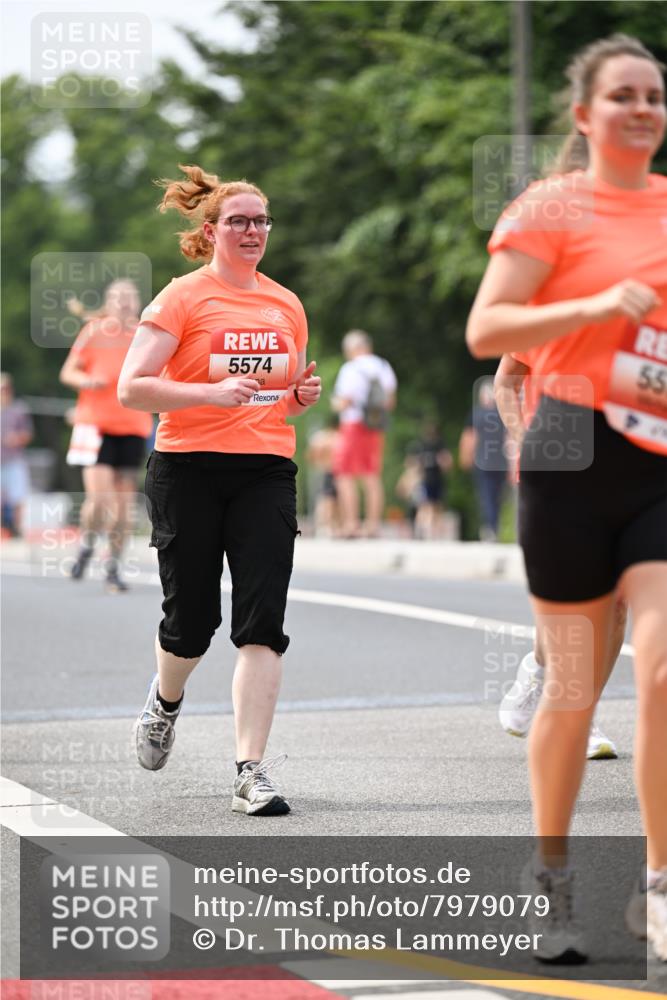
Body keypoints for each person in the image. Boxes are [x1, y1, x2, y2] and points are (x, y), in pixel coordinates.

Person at [467, 35, 667, 962]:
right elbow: (490, 331)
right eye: (621, 94)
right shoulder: (547, 209)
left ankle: (657, 886)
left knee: (659, 669)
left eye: (654, 95)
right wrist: (588, 312)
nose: (640, 108)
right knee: (576, 687)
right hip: (565, 449)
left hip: (658, 454)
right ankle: (551, 876)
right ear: (584, 115)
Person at [118, 164, 321, 817]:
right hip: (188, 468)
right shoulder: (181, 297)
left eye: (261, 220)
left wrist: (297, 398)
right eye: (239, 220)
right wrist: (206, 391)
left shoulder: (285, 303)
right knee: (191, 624)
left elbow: (276, 406)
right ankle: (165, 702)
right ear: (210, 232)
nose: (253, 230)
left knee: (262, 623)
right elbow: (133, 388)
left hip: (264, 469)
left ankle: (249, 770)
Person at [494, 353, 623, 760]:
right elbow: (505, 383)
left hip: (630, 472)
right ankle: (536, 670)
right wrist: (526, 440)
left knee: (616, 605)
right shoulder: (544, 304)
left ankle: (582, 716)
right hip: (558, 470)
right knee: (571, 602)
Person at [60, 281, 153, 592]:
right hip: (94, 426)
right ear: (108, 303)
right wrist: (87, 381)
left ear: (139, 302)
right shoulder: (94, 331)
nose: (124, 303)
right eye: (118, 297)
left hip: (132, 426)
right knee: (100, 501)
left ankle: (113, 566)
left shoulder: (146, 334)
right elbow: (68, 372)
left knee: (124, 507)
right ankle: (87, 542)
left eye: (130, 297)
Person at [331, 329, 397, 538]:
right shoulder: (383, 366)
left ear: (352, 348)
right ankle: (373, 525)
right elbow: (390, 401)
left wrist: (335, 404)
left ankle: (351, 524)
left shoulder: (350, 368)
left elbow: (344, 401)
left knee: (345, 474)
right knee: (371, 474)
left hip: (352, 425)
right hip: (375, 425)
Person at [458, 378, 508, 541]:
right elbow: (509, 439)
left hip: (483, 462)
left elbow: (470, 438)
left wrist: (465, 458)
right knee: (497, 496)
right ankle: (495, 526)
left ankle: (490, 528)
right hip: (501, 463)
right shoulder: (504, 413)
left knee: (486, 496)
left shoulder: (477, 414)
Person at [0, 372, 33, 537]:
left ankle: (17, 529)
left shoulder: (19, 409)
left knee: (17, 496)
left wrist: (16, 439)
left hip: (14, 459)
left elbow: (27, 434)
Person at [306, 416, 340, 537]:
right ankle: (326, 525)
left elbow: (311, 454)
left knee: (326, 498)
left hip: (327, 469)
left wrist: (317, 463)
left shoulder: (320, 437)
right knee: (328, 499)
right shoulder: (335, 437)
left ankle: (326, 525)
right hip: (332, 470)